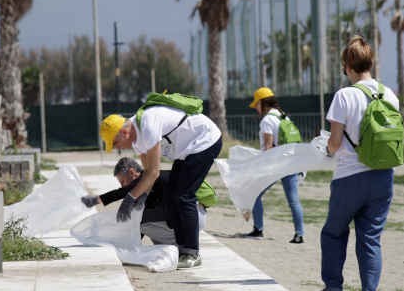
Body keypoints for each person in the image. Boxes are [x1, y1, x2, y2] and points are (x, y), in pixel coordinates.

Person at [309, 36, 399, 291]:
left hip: (350, 176)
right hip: (383, 177)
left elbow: (335, 143)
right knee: (370, 238)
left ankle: (333, 287)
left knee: (334, 232)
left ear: (348, 66)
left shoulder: (344, 96)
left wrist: (326, 147)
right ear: (371, 63)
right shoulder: (390, 94)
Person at [99, 106, 222, 269]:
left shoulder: (147, 126)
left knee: (184, 196)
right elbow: (147, 176)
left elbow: (154, 173)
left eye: (115, 143)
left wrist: (130, 198)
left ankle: (192, 253)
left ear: (123, 132)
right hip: (186, 151)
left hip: (205, 140)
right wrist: (140, 199)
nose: (117, 148)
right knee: (173, 196)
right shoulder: (138, 139)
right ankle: (182, 249)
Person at [80, 157, 210, 245]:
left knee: (136, 219)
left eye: (123, 182)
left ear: (132, 172)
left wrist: (96, 200)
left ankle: (179, 244)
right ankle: (178, 242)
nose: (123, 186)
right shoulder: (154, 178)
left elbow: (123, 192)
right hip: (196, 215)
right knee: (142, 215)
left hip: (190, 219)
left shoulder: (145, 179)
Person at [245, 87, 305, 244]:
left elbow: (268, 147)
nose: (256, 108)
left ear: (262, 103)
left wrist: (260, 166)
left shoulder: (266, 121)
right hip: (291, 163)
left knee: (255, 193)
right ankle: (299, 234)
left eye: (256, 105)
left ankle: (258, 229)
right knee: (293, 200)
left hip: (275, 165)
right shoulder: (283, 116)